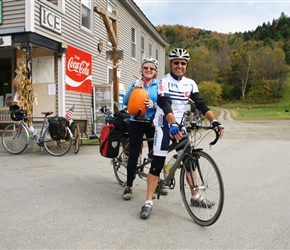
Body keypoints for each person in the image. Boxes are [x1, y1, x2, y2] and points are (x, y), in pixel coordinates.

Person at [140, 48, 225, 219]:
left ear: (186, 65)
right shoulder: (164, 81)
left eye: (183, 63)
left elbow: (200, 103)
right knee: (157, 163)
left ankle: (195, 196)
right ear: (171, 64)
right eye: (176, 63)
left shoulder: (190, 83)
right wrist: (171, 123)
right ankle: (148, 201)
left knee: (190, 161)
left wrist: (213, 121)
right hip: (164, 123)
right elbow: (165, 103)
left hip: (179, 125)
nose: (180, 66)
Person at [122, 58, 168, 200]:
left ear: (155, 72)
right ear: (142, 69)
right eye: (146, 67)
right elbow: (125, 102)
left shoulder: (158, 85)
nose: (148, 70)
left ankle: (156, 183)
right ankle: (128, 186)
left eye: (152, 68)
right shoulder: (136, 84)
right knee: (134, 154)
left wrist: (154, 105)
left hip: (153, 122)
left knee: (156, 155)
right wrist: (134, 88)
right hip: (136, 121)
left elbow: (164, 103)